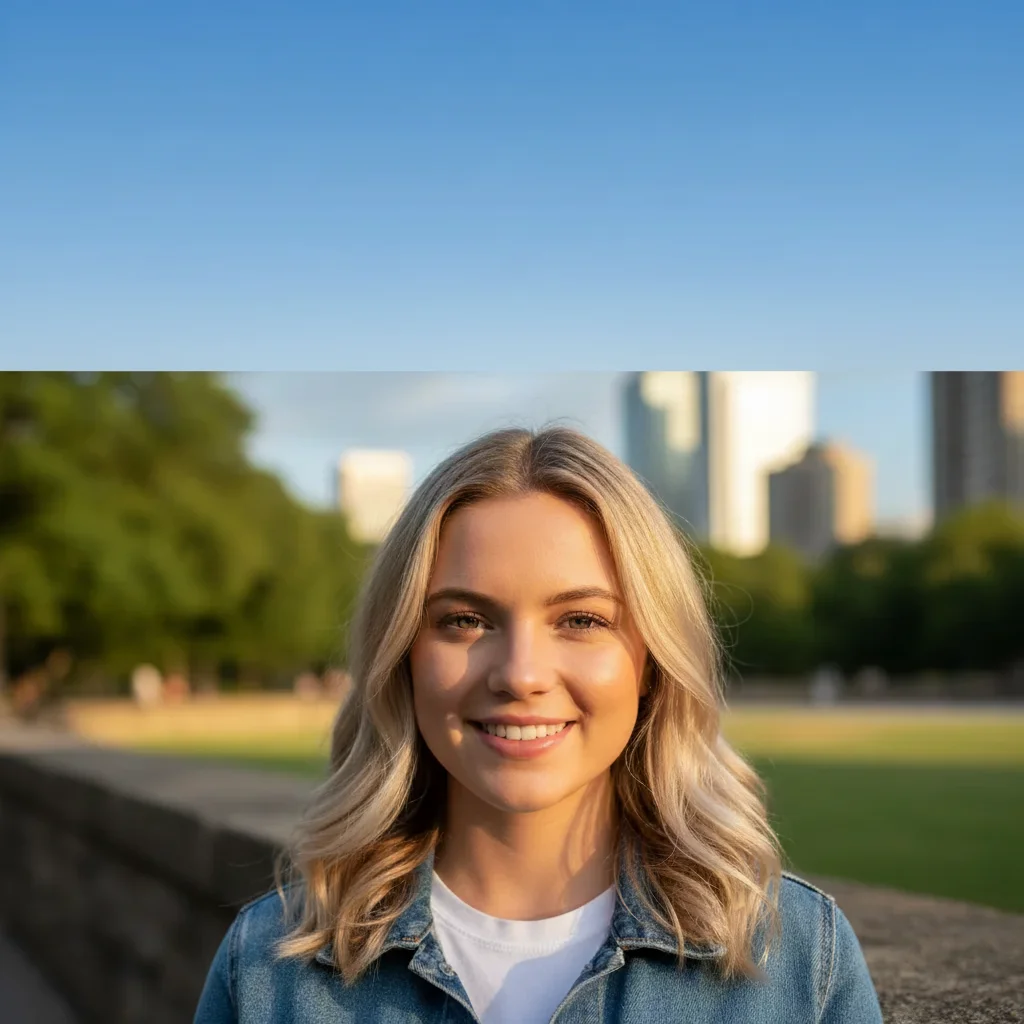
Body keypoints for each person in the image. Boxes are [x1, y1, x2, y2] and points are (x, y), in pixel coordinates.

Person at [194, 426, 883, 1024]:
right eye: (465, 620)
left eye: (581, 620)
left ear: (652, 661)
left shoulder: (797, 956)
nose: (521, 673)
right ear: (402, 654)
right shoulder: (268, 965)